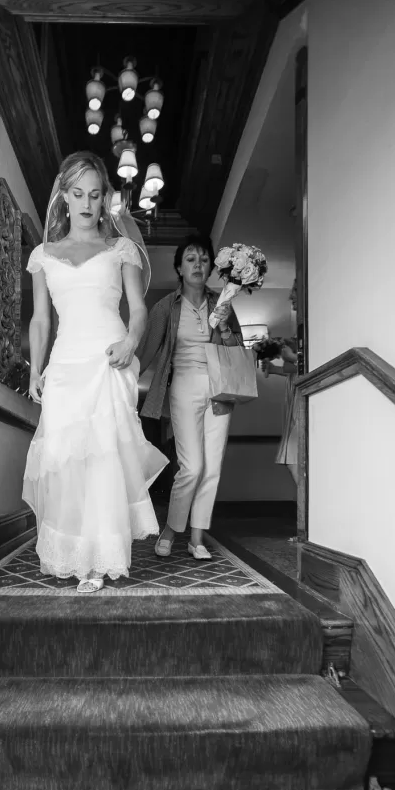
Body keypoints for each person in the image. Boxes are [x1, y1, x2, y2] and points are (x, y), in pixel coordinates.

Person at [22, 152, 167, 594]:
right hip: (65, 366)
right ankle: (74, 552)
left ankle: (99, 561)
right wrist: (35, 369)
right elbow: (41, 319)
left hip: (109, 359)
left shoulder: (120, 250)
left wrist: (130, 344)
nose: (87, 202)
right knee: (67, 461)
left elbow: (138, 311)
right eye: (78, 193)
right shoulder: (42, 256)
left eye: (95, 194)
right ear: (64, 197)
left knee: (103, 460)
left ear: (106, 199)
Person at [136, 234, 245, 560]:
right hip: (183, 387)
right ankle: (171, 529)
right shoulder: (166, 307)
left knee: (212, 467)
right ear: (180, 268)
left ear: (212, 266)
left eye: (203, 259)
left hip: (220, 389)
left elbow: (238, 352)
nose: (198, 264)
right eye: (190, 259)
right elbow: (146, 353)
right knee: (192, 466)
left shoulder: (223, 302)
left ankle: (197, 538)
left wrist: (225, 327)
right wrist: (120, 383)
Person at [262, 341, 299, 486]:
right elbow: (297, 371)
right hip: (296, 406)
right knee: (294, 461)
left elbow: (314, 365)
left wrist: (293, 357)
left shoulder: (317, 337)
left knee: (294, 460)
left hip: (307, 406)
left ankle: (311, 504)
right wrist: (274, 369)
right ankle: (310, 504)